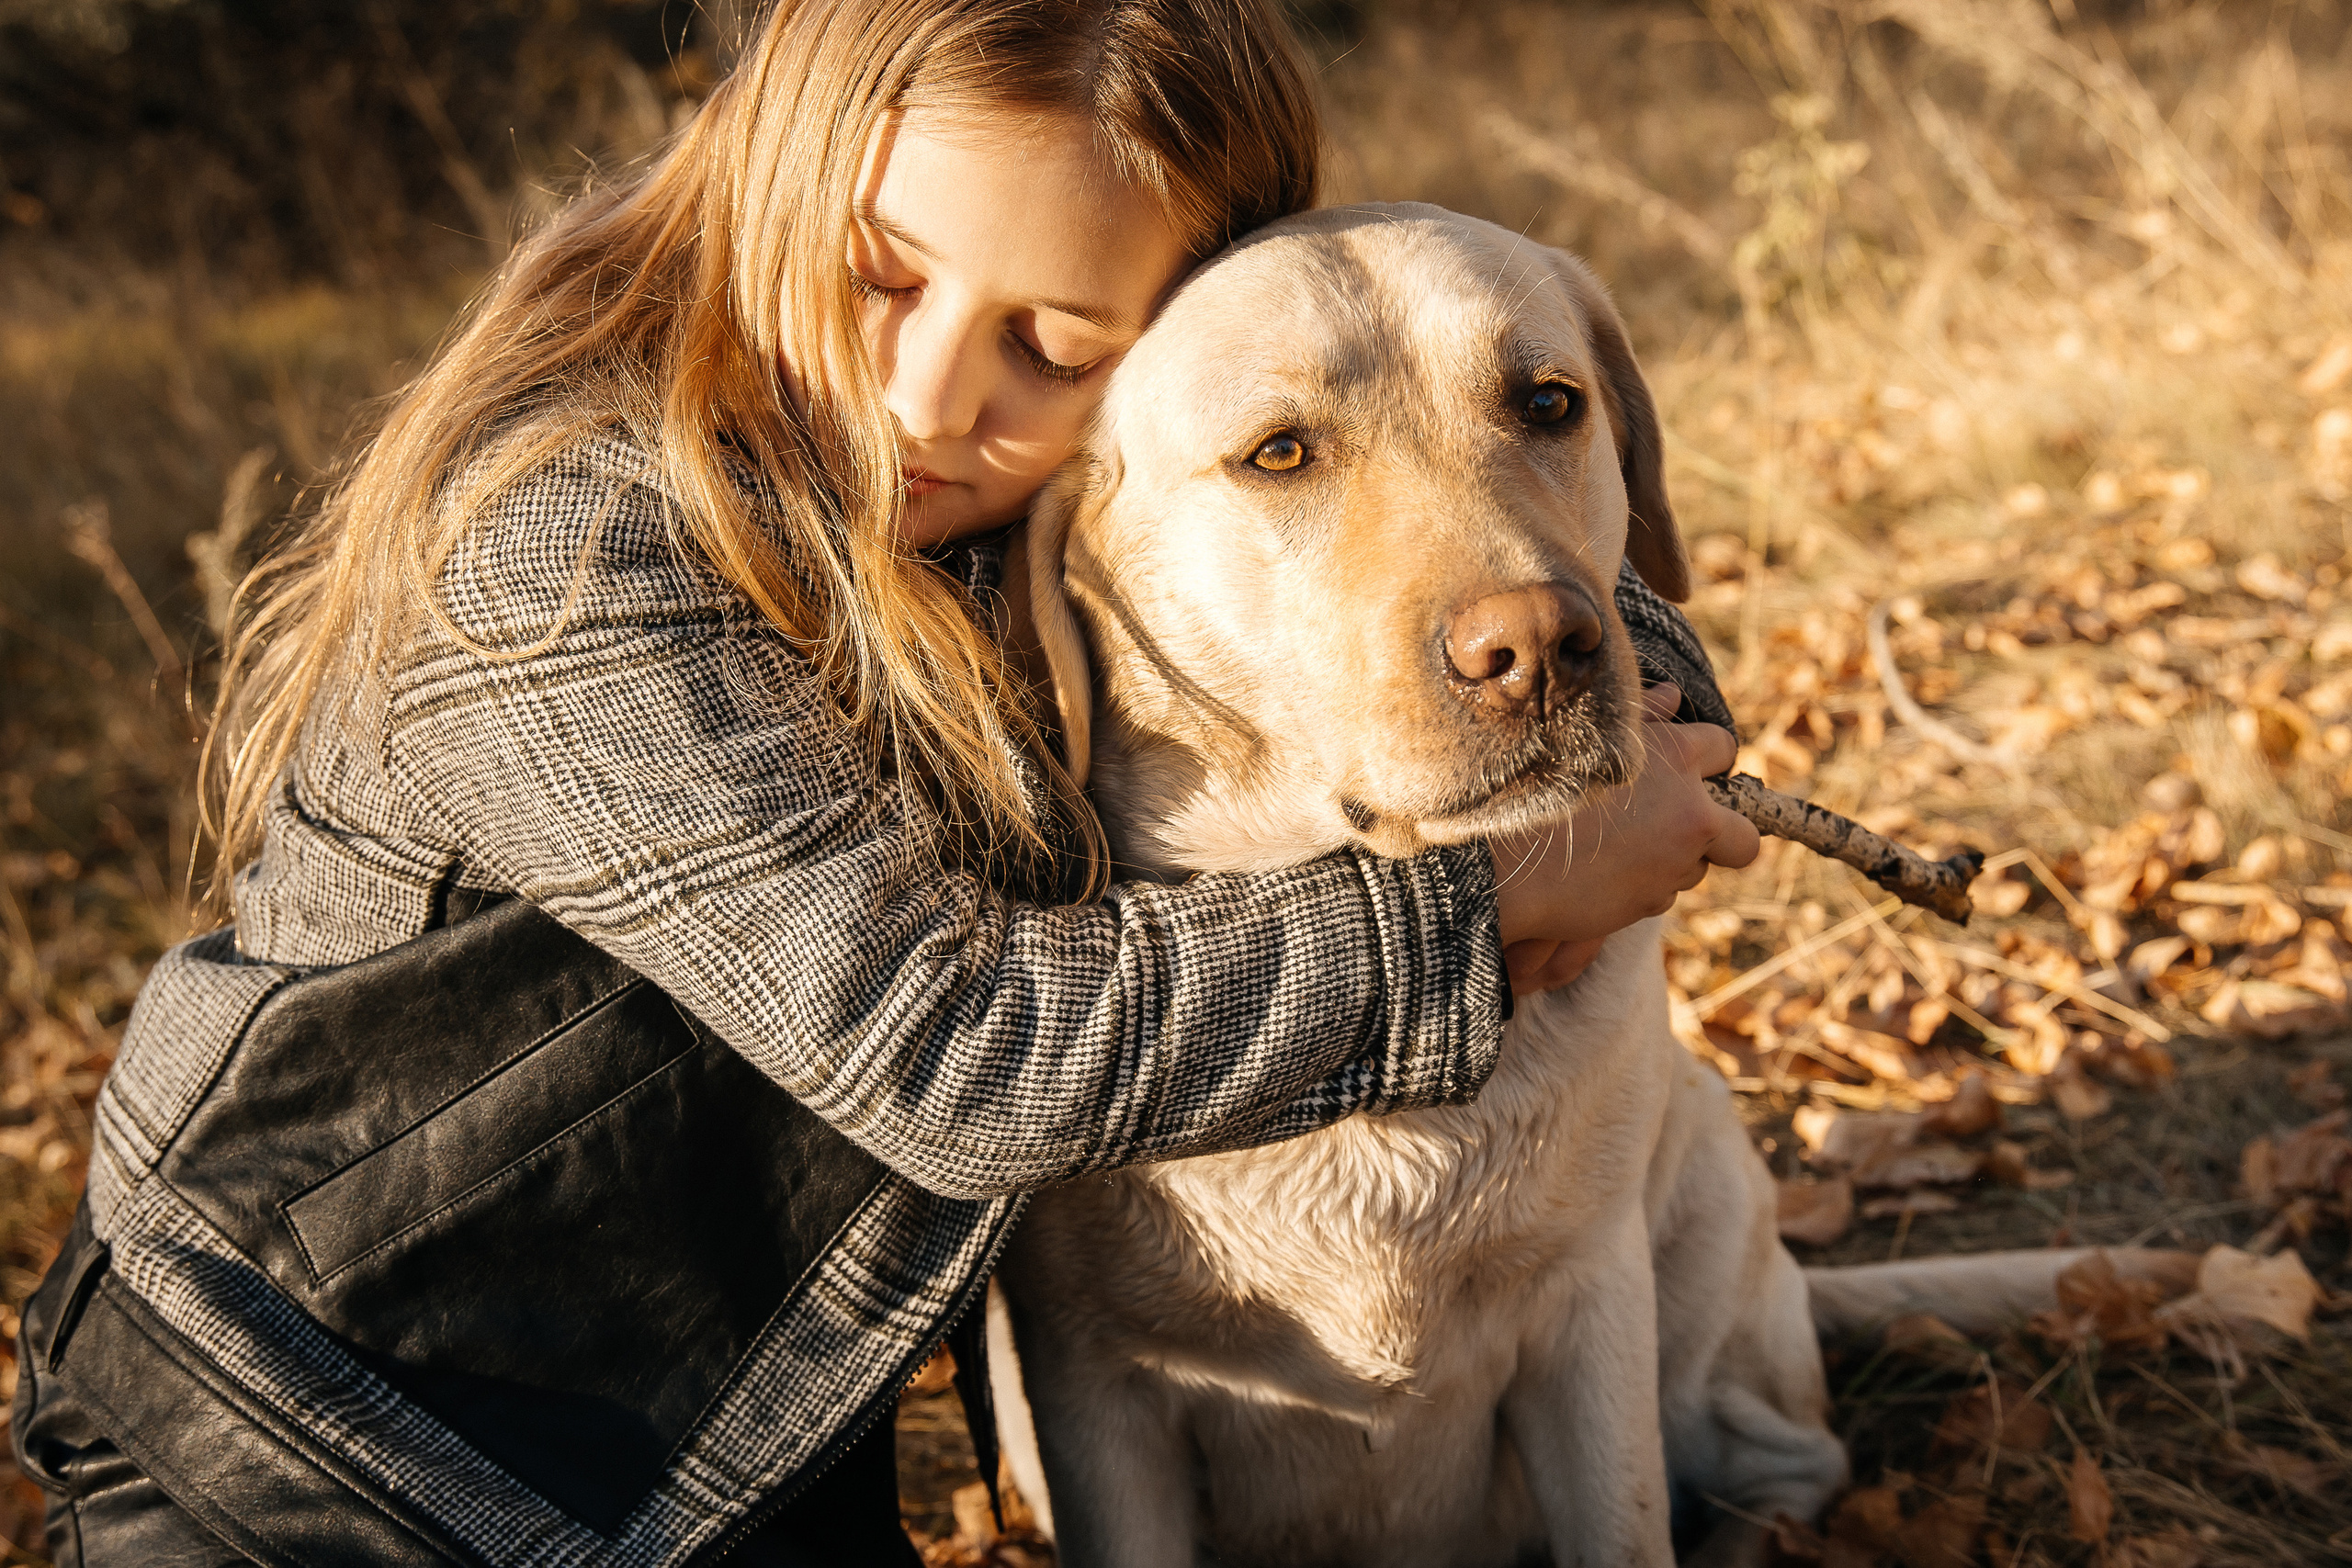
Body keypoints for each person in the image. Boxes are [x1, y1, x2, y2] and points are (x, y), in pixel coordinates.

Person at [11, 1, 1758, 1562]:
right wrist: (1499, 903)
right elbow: (944, 1042)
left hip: (734, 1443)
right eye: (882, 276)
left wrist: (1638, 683)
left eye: (1056, 352)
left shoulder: (1008, 529)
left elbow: (1481, 557)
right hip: (301, 1441)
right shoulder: (566, 548)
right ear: (768, 179)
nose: (923, 397)